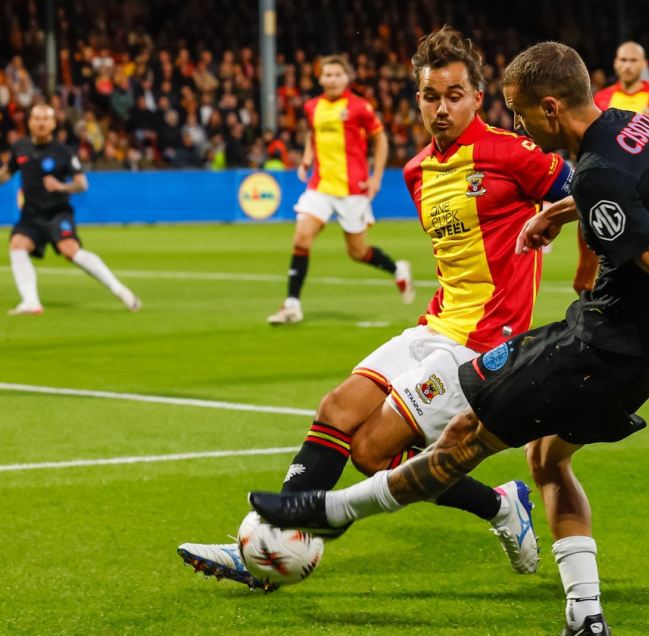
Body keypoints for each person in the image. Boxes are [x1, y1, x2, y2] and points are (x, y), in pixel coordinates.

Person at [248, 41, 649, 636]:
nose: (517, 123)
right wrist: (562, 212)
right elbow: (633, 198)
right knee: (548, 459)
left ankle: (331, 512)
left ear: (552, 108)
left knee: (465, 435)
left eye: (520, 111)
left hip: (602, 342)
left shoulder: (593, 171)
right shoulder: (633, 129)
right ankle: (586, 618)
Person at [178, 27, 575, 591]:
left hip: (483, 342)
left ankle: (495, 507)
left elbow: (587, 188)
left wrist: (559, 228)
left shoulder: (512, 152)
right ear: (417, 98)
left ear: (477, 98)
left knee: (370, 452)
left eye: (454, 95)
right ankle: (271, 538)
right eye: (430, 96)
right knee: (337, 408)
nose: (442, 108)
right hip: (437, 324)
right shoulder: (417, 171)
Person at [267, 55, 413, 325]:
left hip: (352, 190)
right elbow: (313, 133)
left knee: (357, 252)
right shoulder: (312, 106)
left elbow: (380, 140)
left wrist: (376, 177)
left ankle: (396, 268)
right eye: (328, 75)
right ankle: (292, 305)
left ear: (347, 78)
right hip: (320, 185)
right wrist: (308, 157)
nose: (332, 79)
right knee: (301, 239)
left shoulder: (360, 107)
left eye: (337, 74)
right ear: (320, 78)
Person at [0, 104, 141, 315]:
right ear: (29, 122)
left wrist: (63, 186)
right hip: (31, 214)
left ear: (54, 124)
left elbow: (82, 184)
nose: (41, 122)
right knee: (17, 245)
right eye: (36, 118)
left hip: (57, 213)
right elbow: (8, 172)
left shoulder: (63, 152)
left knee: (70, 251)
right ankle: (31, 302)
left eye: (46, 118)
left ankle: (120, 290)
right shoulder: (20, 147)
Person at [573, 41, 649, 294]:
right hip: (605, 192)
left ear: (644, 65)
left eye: (633, 61)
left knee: (646, 269)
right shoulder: (599, 99)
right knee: (603, 265)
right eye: (623, 60)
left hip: (646, 197)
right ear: (615, 63)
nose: (627, 65)